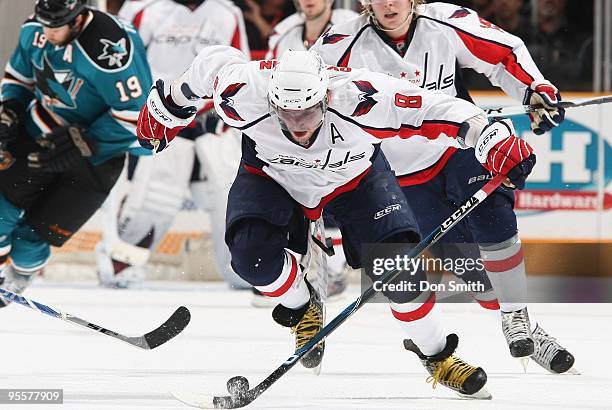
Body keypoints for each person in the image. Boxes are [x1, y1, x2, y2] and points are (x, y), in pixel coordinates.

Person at [135, 44, 537, 396]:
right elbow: (209, 66)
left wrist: (492, 139)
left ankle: (437, 357)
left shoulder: (365, 95)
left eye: (308, 112)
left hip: (355, 178)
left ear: (325, 96)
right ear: (271, 100)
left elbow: (438, 109)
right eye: (286, 114)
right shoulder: (244, 91)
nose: (298, 125)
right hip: (273, 175)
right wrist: (167, 106)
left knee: (401, 270)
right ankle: (303, 301)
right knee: (250, 257)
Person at [311, 0, 575, 374]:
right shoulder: (338, 46)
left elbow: (503, 54)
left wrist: (534, 89)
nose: (389, 3)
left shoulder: (446, 22)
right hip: (401, 178)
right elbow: (307, 104)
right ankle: (525, 327)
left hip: (461, 146)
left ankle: (516, 316)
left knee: (494, 215)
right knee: (478, 277)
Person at [0, 0, 151, 303]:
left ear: (79, 18)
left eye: (56, 26)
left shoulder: (111, 51)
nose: (49, 32)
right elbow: (18, 79)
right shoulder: (36, 29)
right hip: (40, 130)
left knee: (31, 242)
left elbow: (137, 116)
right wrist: (10, 109)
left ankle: (18, 280)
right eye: (45, 23)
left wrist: (85, 140)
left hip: (99, 156)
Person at [94, 0, 251, 289]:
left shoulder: (228, 13)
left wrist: (226, 111)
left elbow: (242, 70)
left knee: (230, 196)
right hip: (160, 118)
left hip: (211, 119)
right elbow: (122, 65)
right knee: (154, 199)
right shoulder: (143, 8)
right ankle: (121, 262)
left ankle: (245, 270)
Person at [245, 0, 358, 304]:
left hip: (338, 129)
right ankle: (303, 268)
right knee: (291, 195)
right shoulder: (284, 32)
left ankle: (334, 268)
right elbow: (264, 83)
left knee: (342, 194)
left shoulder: (351, 25)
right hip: (294, 129)